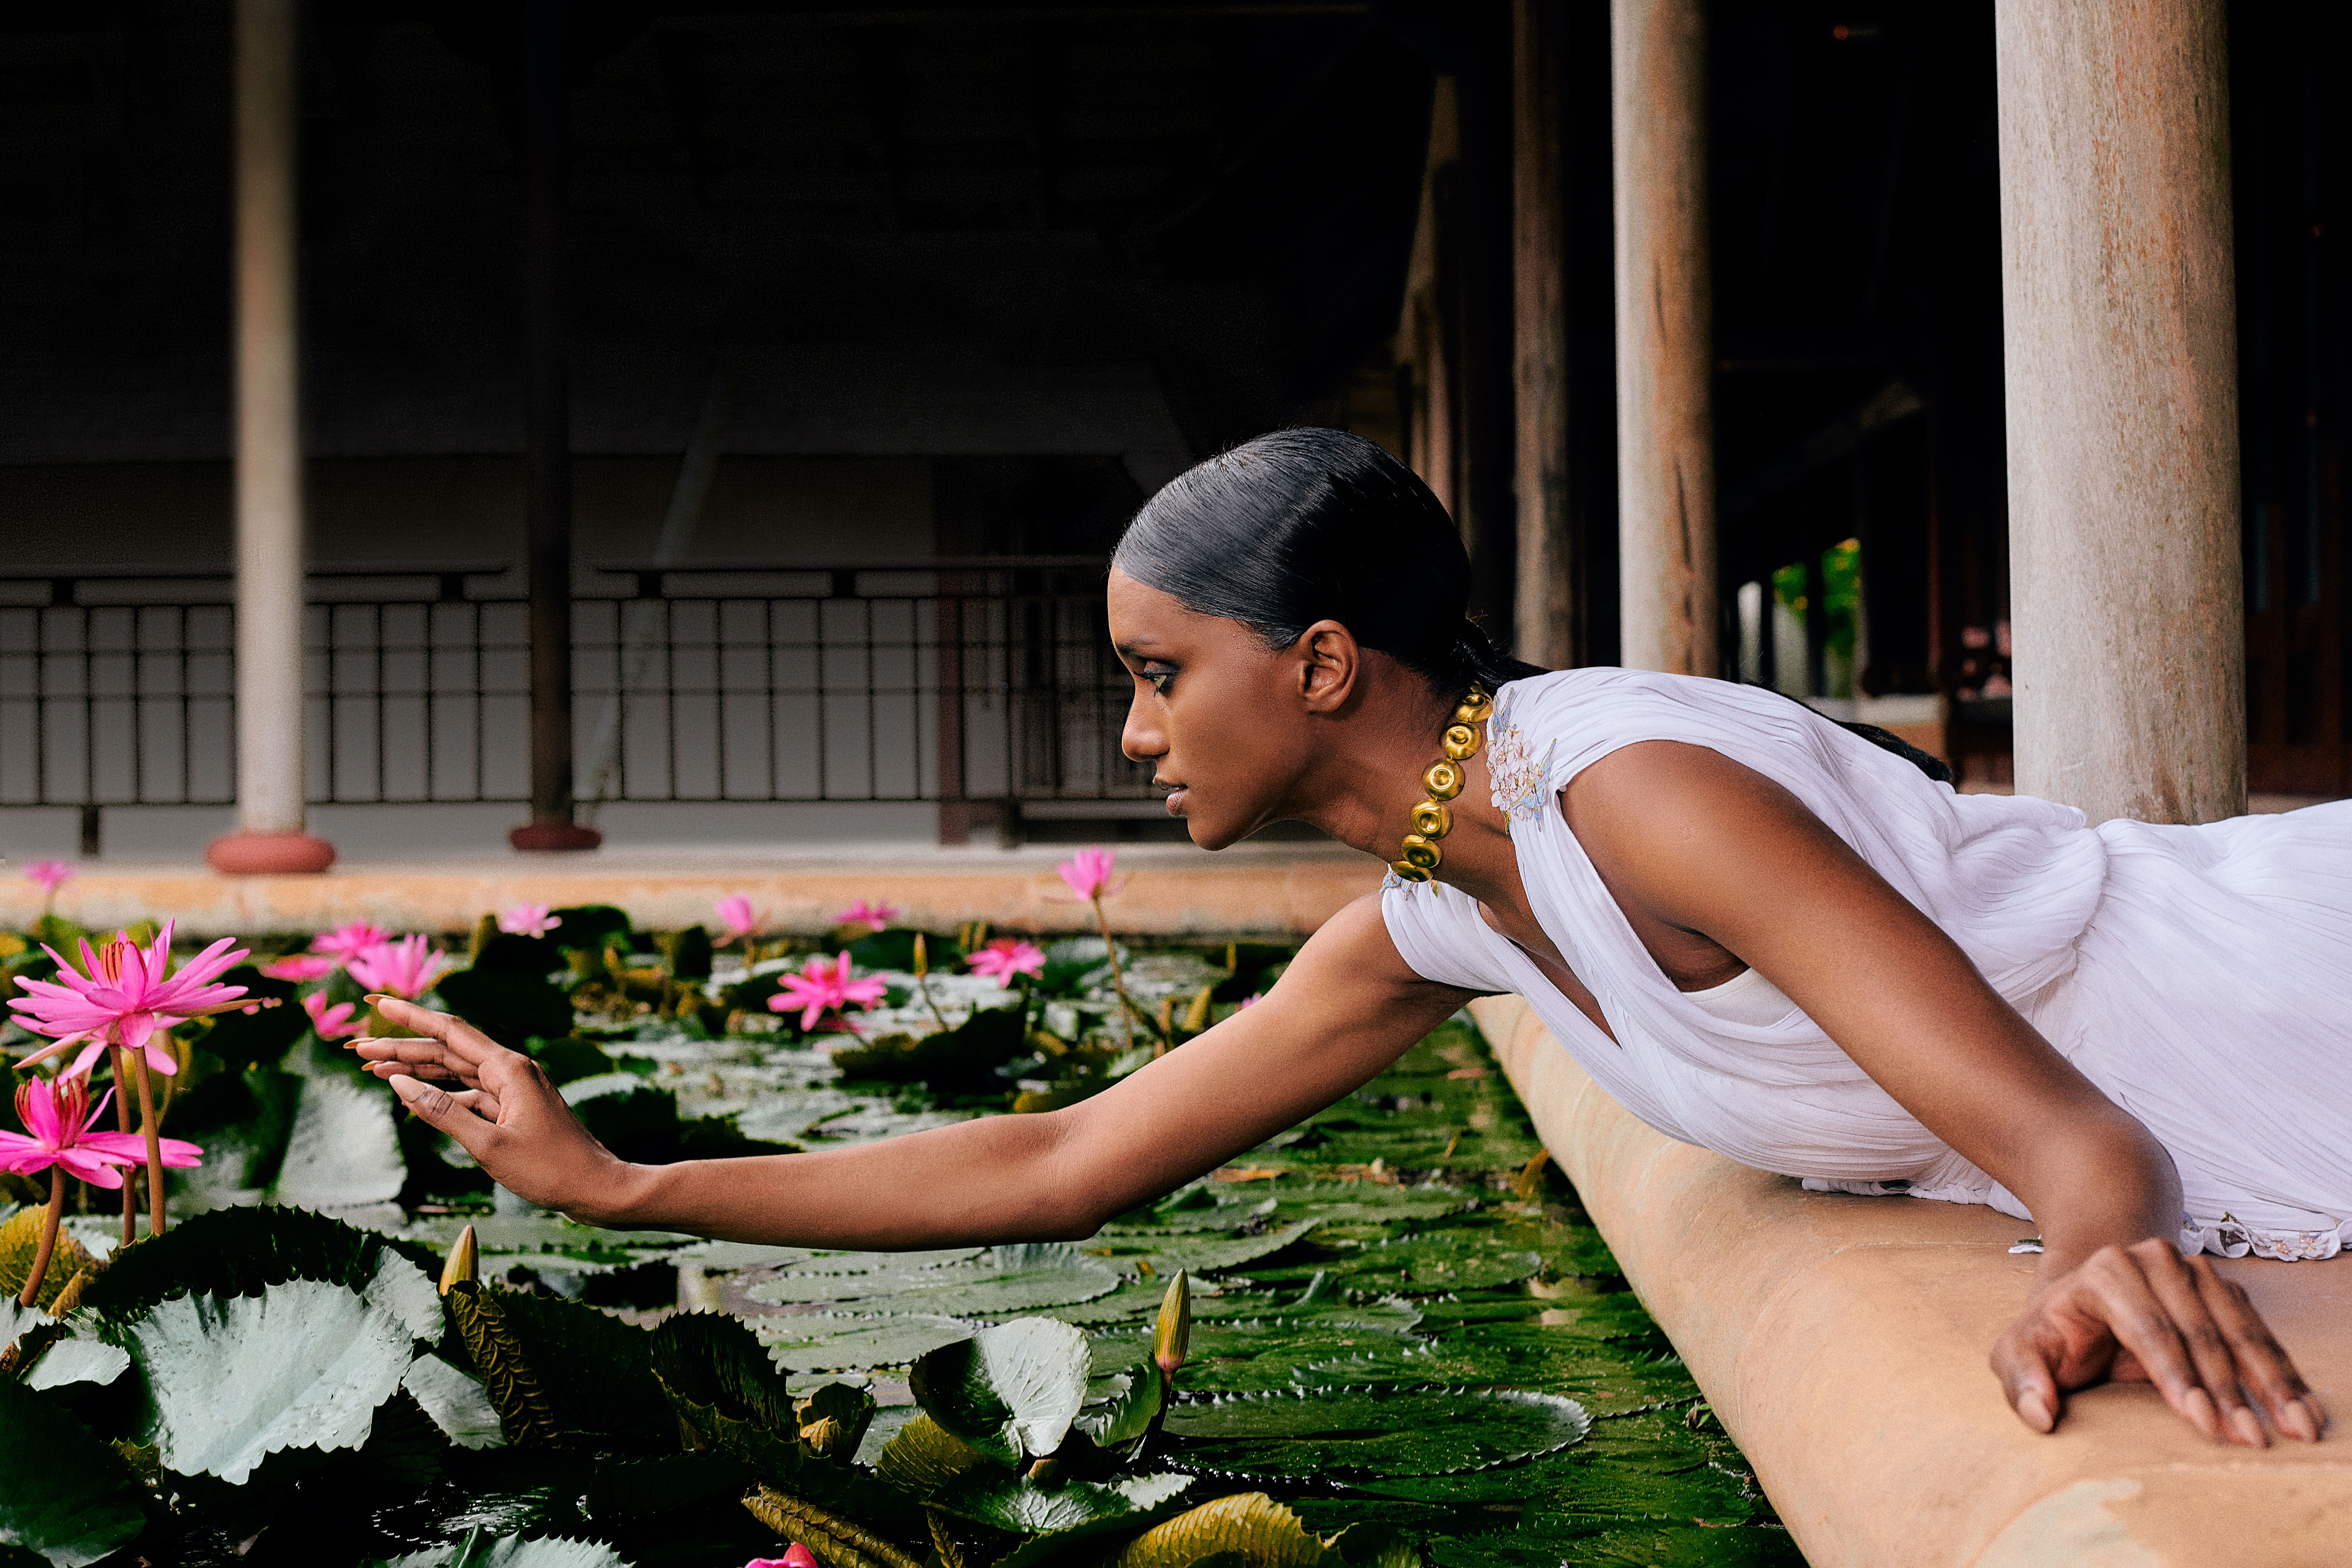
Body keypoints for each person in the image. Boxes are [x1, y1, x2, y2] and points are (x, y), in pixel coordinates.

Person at [361, 428, 2348, 1452]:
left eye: (1157, 675)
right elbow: (1068, 1161)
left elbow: (2088, 1150)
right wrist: (621, 1184)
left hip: (2278, 988)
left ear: (1318, 662)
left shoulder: (1629, 783)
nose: (1134, 733)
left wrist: (2096, 1270)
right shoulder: (1432, 908)